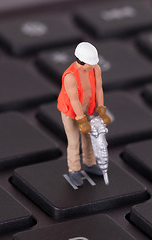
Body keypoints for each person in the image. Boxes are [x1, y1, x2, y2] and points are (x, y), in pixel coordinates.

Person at [57, 42, 111, 186]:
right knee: (74, 141)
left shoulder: (94, 69)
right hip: (71, 111)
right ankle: (74, 170)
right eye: (90, 64)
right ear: (81, 62)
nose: (93, 66)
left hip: (88, 107)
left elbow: (99, 89)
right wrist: (81, 120)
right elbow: (74, 100)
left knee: (89, 138)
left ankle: (89, 163)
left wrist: (101, 108)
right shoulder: (70, 76)